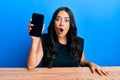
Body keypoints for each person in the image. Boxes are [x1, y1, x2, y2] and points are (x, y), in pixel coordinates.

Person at [27, 7, 109, 76]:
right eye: (58, 19)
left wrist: (91, 63)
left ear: (70, 24)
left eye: (66, 20)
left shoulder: (78, 42)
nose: (61, 23)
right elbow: (31, 66)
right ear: (53, 23)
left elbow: (82, 61)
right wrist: (35, 39)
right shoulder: (45, 39)